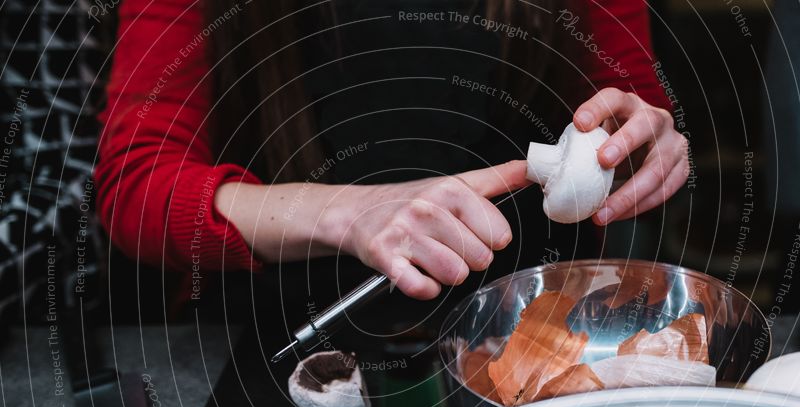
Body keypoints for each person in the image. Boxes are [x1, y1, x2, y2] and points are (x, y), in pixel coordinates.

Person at [96, 0, 688, 302]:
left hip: (536, 327)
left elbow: (631, 103)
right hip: (272, 334)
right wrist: (353, 215)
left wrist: (642, 144)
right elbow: (138, 187)